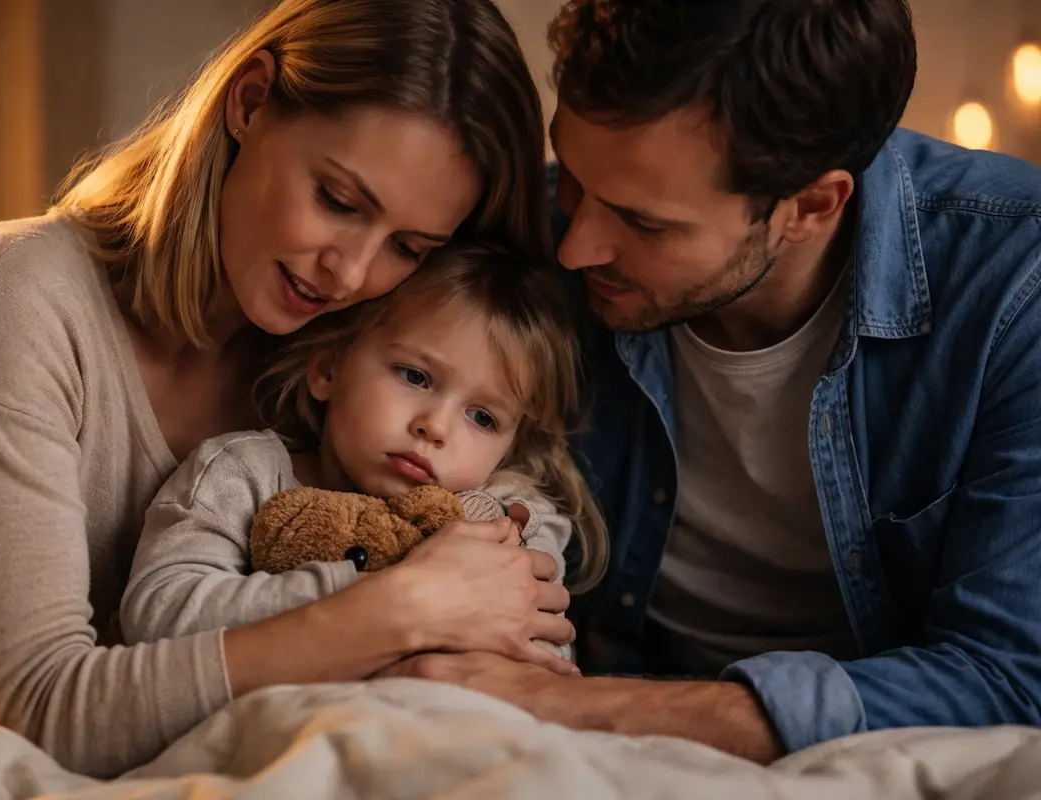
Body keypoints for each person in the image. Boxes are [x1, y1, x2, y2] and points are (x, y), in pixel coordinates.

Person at [0, 0, 562, 778]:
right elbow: (35, 711)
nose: (352, 273)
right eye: (339, 202)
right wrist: (402, 606)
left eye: (408, 247)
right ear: (250, 101)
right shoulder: (12, 295)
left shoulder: (342, 364)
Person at [380, 0, 1041, 766]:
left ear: (811, 206)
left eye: (643, 222)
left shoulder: (1013, 285)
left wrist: (563, 704)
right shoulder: (527, 233)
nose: (575, 246)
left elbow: (1010, 678)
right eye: (573, 176)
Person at [119, 242, 609, 666]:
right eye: (415, 376)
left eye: (483, 418)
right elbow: (161, 613)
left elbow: (543, 655)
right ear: (329, 367)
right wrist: (394, 595)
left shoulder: (506, 519)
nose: (435, 427)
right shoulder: (243, 473)